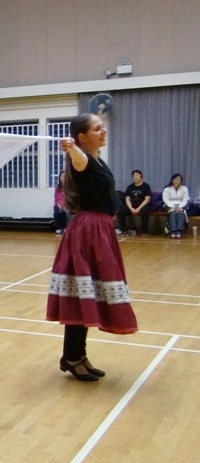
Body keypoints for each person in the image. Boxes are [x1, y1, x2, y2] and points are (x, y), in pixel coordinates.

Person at [47, 114, 138, 382]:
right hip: (89, 232)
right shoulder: (82, 159)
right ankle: (72, 357)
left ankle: (78, 355)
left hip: (98, 231)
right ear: (83, 137)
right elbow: (78, 159)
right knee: (81, 295)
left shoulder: (97, 159)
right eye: (97, 128)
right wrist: (71, 147)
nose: (103, 131)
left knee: (88, 295)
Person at [118, 170, 152, 237]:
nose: (135, 177)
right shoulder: (130, 187)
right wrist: (131, 208)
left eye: (137, 175)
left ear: (141, 177)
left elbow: (147, 199)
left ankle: (144, 232)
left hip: (142, 204)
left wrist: (138, 208)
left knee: (145, 211)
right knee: (121, 211)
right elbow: (127, 199)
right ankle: (124, 231)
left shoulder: (146, 186)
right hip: (132, 204)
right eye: (133, 176)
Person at [162, 173, 189, 239]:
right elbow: (165, 200)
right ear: (172, 180)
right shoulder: (167, 189)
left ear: (181, 181)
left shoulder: (184, 188)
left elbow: (185, 199)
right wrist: (174, 207)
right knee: (173, 213)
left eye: (178, 179)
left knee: (181, 213)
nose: (176, 181)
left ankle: (179, 230)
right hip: (169, 205)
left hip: (181, 205)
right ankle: (173, 231)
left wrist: (180, 206)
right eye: (175, 179)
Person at [53, 170, 68, 235]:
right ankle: (58, 228)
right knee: (56, 213)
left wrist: (65, 205)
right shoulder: (57, 187)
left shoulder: (69, 186)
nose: (63, 177)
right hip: (58, 205)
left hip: (67, 205)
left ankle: (65, 228)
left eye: (64, 176)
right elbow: (56, 197)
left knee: (64, 212)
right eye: (61, 176)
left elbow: (69, 197)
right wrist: (59, 205)